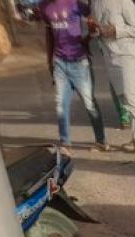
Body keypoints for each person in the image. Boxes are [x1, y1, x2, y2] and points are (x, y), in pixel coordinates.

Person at [41, 0, 109, 154]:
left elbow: (94, 24)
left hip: (80, 62)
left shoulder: (76, 4)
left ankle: (101, 141)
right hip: (59, 63)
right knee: (61, 105)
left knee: (90, 104)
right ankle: (65, 143)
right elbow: (49, 34)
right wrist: (49, 62)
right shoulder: (44, 6)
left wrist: (88, 38)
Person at [90, 0, 135, 152]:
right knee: (122, 97)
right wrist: (95, 31)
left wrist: (116, 30)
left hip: (128, 55)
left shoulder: (124, 2)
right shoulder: (95, 3)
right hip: (110, 57)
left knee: (130, 95)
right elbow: (97, 30)